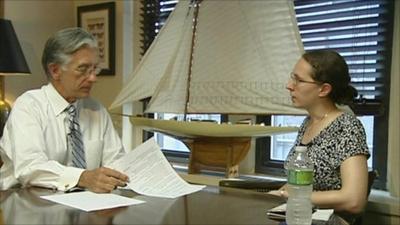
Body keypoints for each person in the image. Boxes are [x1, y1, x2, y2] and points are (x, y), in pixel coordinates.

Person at [0, 27, 128, 193]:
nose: (93, 78)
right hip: (26, 202)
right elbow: (30, 168)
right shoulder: (29, 106)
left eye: (95, 69)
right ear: (55, 70)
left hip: (86, 206)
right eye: (83, 69)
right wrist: (83, 177)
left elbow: (116, 161)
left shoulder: (96, 109)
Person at [270, 50, 370, 215]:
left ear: (324, 89)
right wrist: (270, 197)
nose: (289, 85)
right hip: (298, 214)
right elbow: (298, 183)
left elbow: (354, 200)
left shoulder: (347, 127)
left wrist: (293, 197)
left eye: (299, 80)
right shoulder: (308, 123)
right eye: (292, 77)